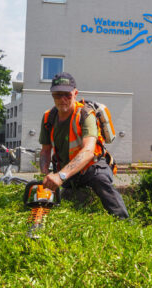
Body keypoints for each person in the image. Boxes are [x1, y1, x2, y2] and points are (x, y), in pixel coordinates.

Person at [39, 72, 129, 219]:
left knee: (101, 182)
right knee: (69, 204)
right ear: (52, 94)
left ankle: (125, 222)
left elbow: (88, 151)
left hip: (91, 166)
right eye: (57, 94)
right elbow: (45, 151)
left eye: (67, 95)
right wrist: (46, 174)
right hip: (67, 170)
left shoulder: (85, 114)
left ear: (75, 93)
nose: (62, 99)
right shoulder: (49, 117)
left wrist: (60, 176)